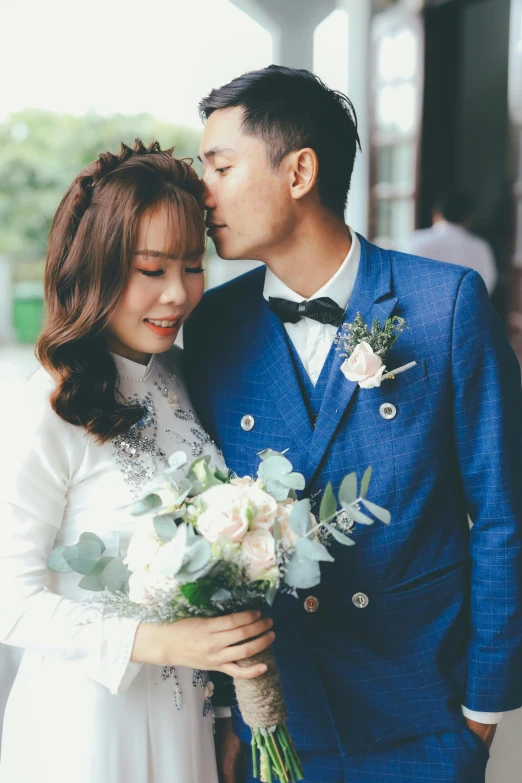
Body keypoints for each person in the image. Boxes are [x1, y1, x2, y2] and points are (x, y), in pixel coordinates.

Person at [183, 66, 522, 783]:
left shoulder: (444, 305)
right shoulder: (213, 325)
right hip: (278, 720)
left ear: (299, 170)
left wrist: (484, 712)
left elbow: (502, 513)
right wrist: (227, 714)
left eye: (219, 166)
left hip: (422, 715)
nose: (201, 191)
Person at [0, 140, 275, 783]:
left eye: (191, 265)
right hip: (88, 726)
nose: (177, 295)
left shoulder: (184, 376)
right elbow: (9, 598)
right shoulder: (48, 406)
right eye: (151, 270)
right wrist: (157, 643)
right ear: (94, 269)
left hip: (187, 722)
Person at [402, 191, 498, 295]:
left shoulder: (416, 241)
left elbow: (403, 279)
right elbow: (487, 284)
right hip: (467, 308)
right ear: (469, 219)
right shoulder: (480, 246)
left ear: (436, 214)